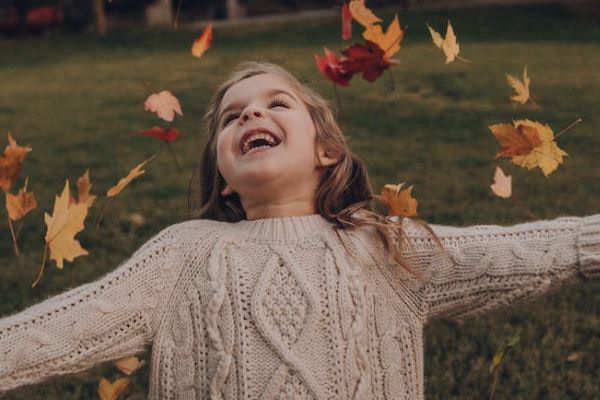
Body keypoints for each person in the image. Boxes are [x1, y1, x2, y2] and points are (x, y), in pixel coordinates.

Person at [0, 61, 598, 399]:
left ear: (327, 153)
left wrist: (587, 242)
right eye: (233, 116)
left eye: (275, 103)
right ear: (225, 178)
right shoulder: (185, 254)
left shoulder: (378, 244)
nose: (252, 114)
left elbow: (510, 254)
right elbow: (69, 325)